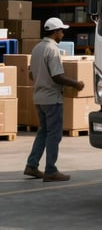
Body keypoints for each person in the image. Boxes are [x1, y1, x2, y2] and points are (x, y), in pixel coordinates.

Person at [23, 17, 85, 182]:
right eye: (62, 31)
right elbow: (57, 76)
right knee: (54, 135)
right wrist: (76, 83)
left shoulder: (36, 49)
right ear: (56, 32)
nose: (63, 33)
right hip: (52, 99)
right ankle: (51, 170)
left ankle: (32, 165)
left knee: (43, 132)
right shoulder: (53, 50)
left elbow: (30, 74)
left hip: (39, 98)